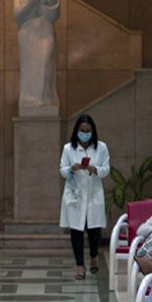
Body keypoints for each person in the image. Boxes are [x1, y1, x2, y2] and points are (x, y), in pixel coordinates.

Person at [59, 113, 110, 279]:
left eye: (88, 130)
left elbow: (106, 169)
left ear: (93, 131)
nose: (85, 133)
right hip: (75, 193)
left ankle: (94, 255)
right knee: (76, 230)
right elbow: (62, 170)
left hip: (94, 192)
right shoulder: (69, 148)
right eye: (82, 130)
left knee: (94, 229)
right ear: (77, 131)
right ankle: (80, 266)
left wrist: (95, 169)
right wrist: (71, 169)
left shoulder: (101, 147)